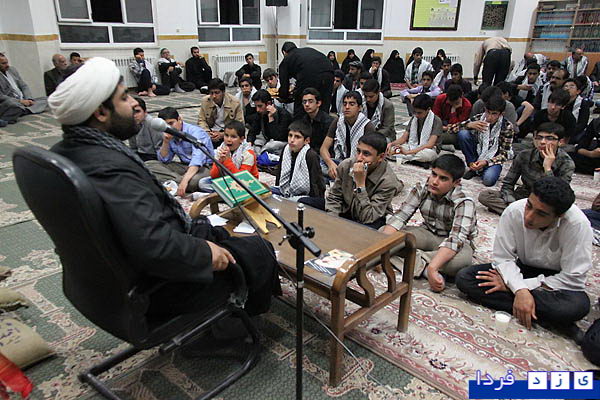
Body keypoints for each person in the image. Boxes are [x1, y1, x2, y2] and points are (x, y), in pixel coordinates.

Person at [47, 57, 280, 321]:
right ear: (100, 112)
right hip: (158, 288)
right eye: (124, 97)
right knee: (259, 249)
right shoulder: (111, 168)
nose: (134, 104)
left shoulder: (60, 156)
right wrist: (204, 252)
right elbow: (154, 246)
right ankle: (239, 323)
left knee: (212, 228)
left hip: (103, 284)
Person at [456, 177, 592, 343]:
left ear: (559, 215)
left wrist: (517, 287)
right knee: (466, 278)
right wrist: (520, 290)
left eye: (541, 213)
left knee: (577, 306)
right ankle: (550, 318)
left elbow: (572, 278)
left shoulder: (578, 225)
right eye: (529, 205)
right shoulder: (514, 211)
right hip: (521, 269)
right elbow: (503, 259)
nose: (528, 216)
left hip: (554, 282)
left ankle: (533, 309)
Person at [382, 154, 476, 292]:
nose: (435, 181)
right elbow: (400, 217)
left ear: (456, 183)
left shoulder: (464, 203)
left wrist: (433, 268)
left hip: (455, 243)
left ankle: (414, 261)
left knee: (461, 262)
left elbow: (456, 240)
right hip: (428, 233)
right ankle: (423, 267)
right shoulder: (422, 189)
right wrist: (381, 248)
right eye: (434, 174)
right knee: (382, 234)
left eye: (443, 178)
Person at [479, 122, 574, 215]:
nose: (542, 142)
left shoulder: (566, 163)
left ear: (560, 142)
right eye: (539, 137)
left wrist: (547, 168)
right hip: (524, 197)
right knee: (485, 196)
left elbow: (558, 195)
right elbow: (508, 183)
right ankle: (527, 214)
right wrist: (511, 202)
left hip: (547, 202)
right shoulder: (524, 155)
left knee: (566, 212)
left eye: (549, 138)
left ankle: (517, 213)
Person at [325, 133, 403, 229]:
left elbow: (368, 217)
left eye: (366, 154)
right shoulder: (346, 165)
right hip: (345, 209)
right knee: (308, 204)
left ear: (381, 157)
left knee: (367, 231)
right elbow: (334, 197)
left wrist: (360, 185)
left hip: (371, 217)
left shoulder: (388, 182)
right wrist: (332, 221)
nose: (359, 158)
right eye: (358, 151)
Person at [145, 107, 213, 195]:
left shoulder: (196, 132)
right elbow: (164, 160)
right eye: (165, 125)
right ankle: (177, 182)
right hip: (184, 166)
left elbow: (197, 161)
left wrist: (184, 181)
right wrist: (166, 142)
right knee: (149, 165)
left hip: (204, 167)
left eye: (171, 123)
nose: (169, 127)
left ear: (179, 119)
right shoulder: (168, 133)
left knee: (193, 182)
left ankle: (172, 182)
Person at [458, 95, 514, 186]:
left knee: (488, 180)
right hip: (477, 152)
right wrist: (469, 125)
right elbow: (452, 129)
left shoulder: (507, 126)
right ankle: (473, 165)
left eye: (494, 114)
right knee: (463, 134)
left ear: (501, 114)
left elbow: (505, 154)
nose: (489, 117)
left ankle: (481, 168)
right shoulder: (480, 118)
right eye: (488, 112)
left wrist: (486, 162)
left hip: (493, 158)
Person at [320, 91, 376, 179]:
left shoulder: (367, 126)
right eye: (345, 104)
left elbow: (370, 156)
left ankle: (340, 177)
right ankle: (338, 175)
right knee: (319, 163)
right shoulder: (338, 122)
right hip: (340, 162)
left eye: (351, 104)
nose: (347, 107)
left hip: (358, 164)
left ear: (360, 108)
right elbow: (323, 148)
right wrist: (331, 164)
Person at [273, 121, 326, 209]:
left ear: (307, 140)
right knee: (266, 192)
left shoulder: (311, 155)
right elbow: (279, 175)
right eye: (290, 135)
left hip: (305, 196)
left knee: (298, 202)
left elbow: (316, 183)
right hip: (286, 192)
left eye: (297, 137)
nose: (292, 140)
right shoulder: (286, 150)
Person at [197, 120, 258, 193]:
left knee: (241, 190)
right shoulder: (221, 149)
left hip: (246, 184)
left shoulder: (248, 153)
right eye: (226, 135)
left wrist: (227, 160)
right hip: (228, 180)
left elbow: (241, 179)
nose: (228, 140)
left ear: (241, 139)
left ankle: (221, 194)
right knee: (203, 182)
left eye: (233, 137)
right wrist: (220, 162)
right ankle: (224, 194)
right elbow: (214, 176)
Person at [278, 42, 334, 120]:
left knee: (301, 106)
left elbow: (284, 86)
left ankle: (300, 125)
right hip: (329, 73)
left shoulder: (287, 59)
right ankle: (325, 125)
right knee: (323, 105)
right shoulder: (306, 51)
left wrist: (283, 96)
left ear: (284, 52)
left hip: (310, 75)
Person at [387, 94, 441, 165]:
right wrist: (391, 144)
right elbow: (403, 138)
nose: (416, 115)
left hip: (429, 149)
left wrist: (408, 152)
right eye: (415, 112)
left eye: (419, 113)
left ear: (428, 109)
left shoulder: (436, 120)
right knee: (393, 148)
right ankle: (413, 160)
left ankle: (407, 158)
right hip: (413, 146)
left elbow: (430, 145)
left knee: (425, 155)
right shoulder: (414, 118)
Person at [0, 52, 47, 123]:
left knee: (46, 99)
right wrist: (20, 101)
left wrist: (29, 99)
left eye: (7, 62)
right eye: (3, 63)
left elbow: (23, 86)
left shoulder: (12, 70)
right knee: (12, 104)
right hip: (10, 102)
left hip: (22, 99)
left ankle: (22, 110)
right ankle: (23, 109)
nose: (7, 65)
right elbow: (1, 96)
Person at [197, 78, 244, 147]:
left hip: (227, 133)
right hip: (211, 131)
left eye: (217, 93)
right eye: (211, 93)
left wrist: (222, 134)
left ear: (223, 92)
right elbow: (201, 120)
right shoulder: (205, 101)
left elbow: (239, 123)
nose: (214, 96)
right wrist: (207, 132)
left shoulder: (235, 102)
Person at [247, 89, 292, 155]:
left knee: (271, 145)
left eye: (260, 106)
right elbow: (253, 131)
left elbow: (278, 137)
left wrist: (271, 119)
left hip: (281, 144)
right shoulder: (260, 113)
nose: (257, 110)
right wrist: (249, 144)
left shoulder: (284, 115)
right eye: (256, 106)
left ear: (268, 104)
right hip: (266, 141)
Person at [128, 96, 163, 161]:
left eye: (137, 111)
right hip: (139, 154)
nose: (134, 115)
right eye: (131, 112)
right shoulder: (130, 123)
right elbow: (133, 147)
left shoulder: (152, 123)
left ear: (145, 112)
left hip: (152, 156)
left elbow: (159, 148)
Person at [300, 88, 333, 153]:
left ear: (318, 103)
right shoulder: (303, 120)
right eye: (304, 102)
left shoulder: (328, 122)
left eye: (310, 101)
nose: (307, 104)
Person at [563, 77, 592, 144]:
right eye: (566, 86)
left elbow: (582, 124)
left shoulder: (583, 103)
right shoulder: (559, 102)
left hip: (575, 131)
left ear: (578, 91)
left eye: (571, 86)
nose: (568, 88)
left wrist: (568, 133)